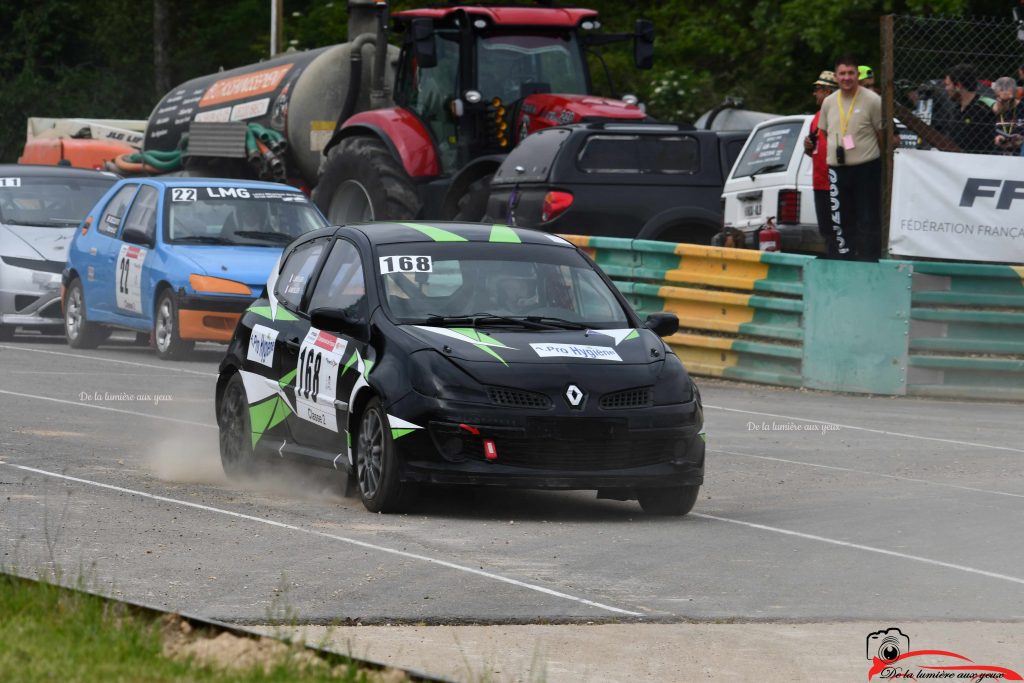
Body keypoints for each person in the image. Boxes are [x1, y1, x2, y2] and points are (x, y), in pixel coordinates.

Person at [818, 55, 885, 261]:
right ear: (836, 76)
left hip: (866, 166)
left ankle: (868, 258)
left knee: (867, 216)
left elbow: (881, 132)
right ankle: (844, 256)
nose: (847, 78)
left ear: (857, 74)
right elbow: (824, 132)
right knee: (840, 217)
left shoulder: (873, 100)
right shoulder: (829, 102)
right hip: (838, 168)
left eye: (851, 73)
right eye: (842, 74)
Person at [803, 70, 839, 257]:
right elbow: (815, 150)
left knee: (839, 229)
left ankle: (840, 261)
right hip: (820, 183)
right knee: (826, 229)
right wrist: (807, 146)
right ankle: (831, 261)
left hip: (836, 181)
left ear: (827, 91)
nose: (814, 93)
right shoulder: (816, 118)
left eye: (817, 89)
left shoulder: (840, 115)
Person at [943, 64, 997, 154]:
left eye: (948, 84)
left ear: (958, 86)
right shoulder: (954, 111)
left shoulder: (985, 107)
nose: (946, 88)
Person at [991, 76, 1023, 155]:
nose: (1003, 103)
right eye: (1000, 99)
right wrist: (997, 139)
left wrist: (1020, 139)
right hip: (995, 155)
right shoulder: (990, 109)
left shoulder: (1022, 108)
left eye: (1007, 100)